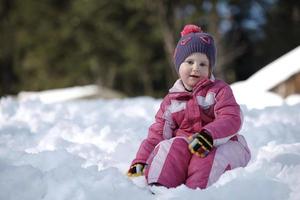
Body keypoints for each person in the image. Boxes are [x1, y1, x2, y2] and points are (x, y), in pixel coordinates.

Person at [127, 24, 251, 189]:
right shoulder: (172, 101)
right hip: (188, 148)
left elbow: (231, 117)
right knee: (171, 146)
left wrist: (208, 135)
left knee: (205, 158)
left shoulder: (219, 91)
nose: (195, 68)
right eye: (190, 61)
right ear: (179, 66)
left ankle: (195, 193)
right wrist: (141, 161)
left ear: (209, 68)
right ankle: (159, 189)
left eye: (203, 64)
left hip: (221, 144)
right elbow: (157, 135)